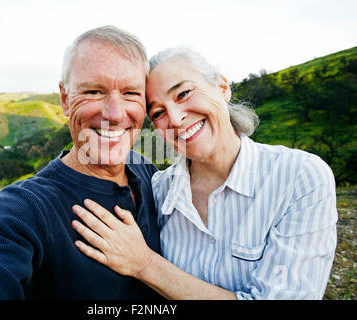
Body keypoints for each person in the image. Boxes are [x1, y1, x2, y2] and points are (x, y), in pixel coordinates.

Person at [0, 26, 162, 300]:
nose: (114, 114)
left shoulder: (148, 173)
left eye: (131, 93)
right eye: (93, 91)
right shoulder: (24, 207)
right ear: (65, 99)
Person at [70, 46, 338, 300]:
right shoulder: (158, 191)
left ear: (222, 87)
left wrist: (145, 264)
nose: (175, 119)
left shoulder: (300, 177)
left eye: (184, 94)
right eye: (159, 112)